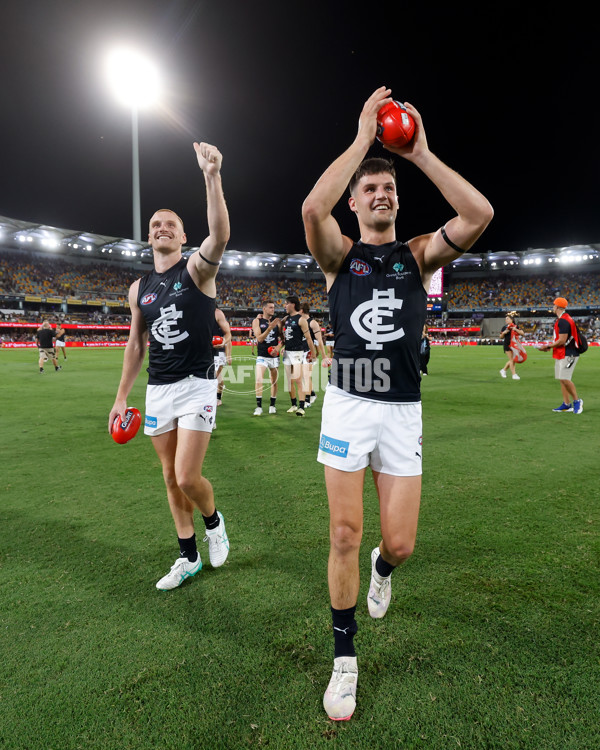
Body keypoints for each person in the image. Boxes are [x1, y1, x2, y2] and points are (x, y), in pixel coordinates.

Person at [301, 86, 493, 721]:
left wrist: (421, 155)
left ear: (396, 197)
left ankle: (385, 571)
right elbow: (310, 208)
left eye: (387, 188)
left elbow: (479, 214)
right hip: (348, 404)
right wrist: (361, 142)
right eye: (369, 189)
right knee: (344, 532)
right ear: (354, 202)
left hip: (403, 409)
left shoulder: (417, 255)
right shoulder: (339, 258)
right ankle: (344, 662)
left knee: (400, 545)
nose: (380, 195)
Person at [108, 141, 231, 591]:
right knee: (167, 476)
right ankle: (188, 556)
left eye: (171, 224)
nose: (162, 228)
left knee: (187, 475)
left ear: (183, 236)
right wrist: (122, 395)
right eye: (156, 224)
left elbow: (219, 235)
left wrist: (211, 176)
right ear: (150, 236)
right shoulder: (139, 287)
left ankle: (214, 522)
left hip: (197, 384)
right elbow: (135, 343)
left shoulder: (197, 270)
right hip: (158, 389)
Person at [538, 297, 584, 413]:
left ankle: (577, 401)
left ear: (557, 307)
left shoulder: (563, 320)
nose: (552, 307)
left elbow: (562, 340)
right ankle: (566, 404)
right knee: (562, 379)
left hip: (569, 354)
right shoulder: (564, 319)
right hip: (564, 352)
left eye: (554, 305)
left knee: (565, 378)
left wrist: (548, 346)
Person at [281, 295, 317, 417]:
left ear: (293, 304)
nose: (285, 306)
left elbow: (308, 339)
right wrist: (281, 347)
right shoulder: (286, 319)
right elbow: (284, 336)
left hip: (297, 353)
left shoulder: (301, 320)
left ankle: (301, 407)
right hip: (287, 352)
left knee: (297, 379)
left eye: (286, 303)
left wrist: (313, 354)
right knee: (289, 381)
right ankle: (293, 405)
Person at [252, 301, 281, 415]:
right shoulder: (257, 321)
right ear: (264, 309)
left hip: (274, 356)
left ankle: (272, 405)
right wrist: (269, 328)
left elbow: (283, 339)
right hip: (262, 355)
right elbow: (259, 339)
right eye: (270, 307)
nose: (273, 309)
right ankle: (259, 407)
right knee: (259, 379)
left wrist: (278, 347)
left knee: (274, 381)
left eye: (273, 307)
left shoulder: (277, 322)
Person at [300, 302, 328, 407]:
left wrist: (324, 356)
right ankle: (312, 394)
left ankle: (307, 401)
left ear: (302, 310)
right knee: (302, 376)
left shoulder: (312, 323)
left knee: (306, 376)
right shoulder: (300, 322)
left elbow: (319, 340)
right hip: (300, 352)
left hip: (309, 353)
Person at [212, 307, 232, 409]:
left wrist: (229, 355)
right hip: (207, 351)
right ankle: (217, 397)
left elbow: (229, 338)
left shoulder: (221, 320)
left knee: (216, 375)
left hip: (219, 351)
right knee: (218, 377)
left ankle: (217, 398)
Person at [499, 312, 525, 380]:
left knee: (513, 360)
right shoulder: (504, 327)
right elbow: (501, 337)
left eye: (507, 319)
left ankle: (503, 370)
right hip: (507, 344)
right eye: (505, 319)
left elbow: (522, 333)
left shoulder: (516, 326)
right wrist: (504, 333)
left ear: (512, 319)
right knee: (512, 360)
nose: (506, 320)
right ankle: (514, 374)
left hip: (514, 345)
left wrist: (515, 329)